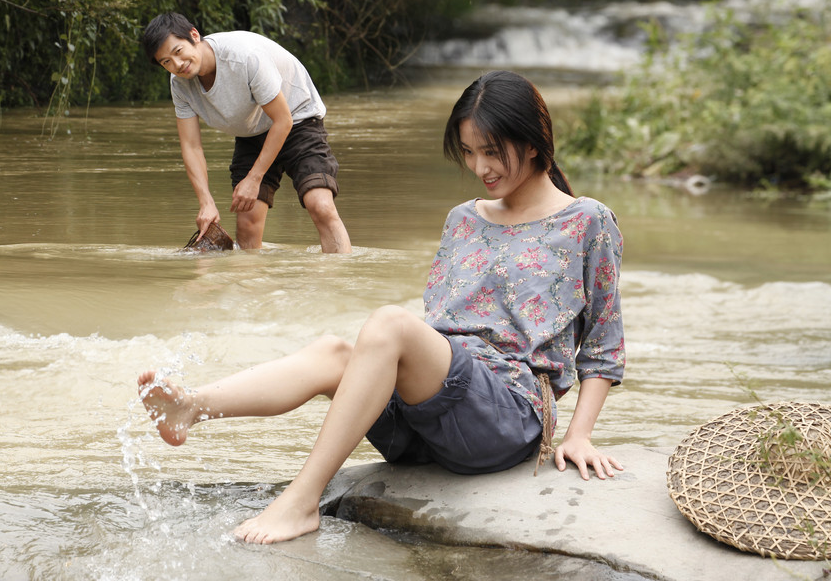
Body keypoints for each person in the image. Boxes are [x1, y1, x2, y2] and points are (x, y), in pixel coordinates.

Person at [137, 70, 625, 544]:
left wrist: (578, 435)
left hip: (507, 415)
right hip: (433, 418)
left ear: (534, 141)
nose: (481, 168)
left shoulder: (587, 221)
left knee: (391, 323)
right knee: (334, 352)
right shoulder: (463, 219)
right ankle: (190, 409)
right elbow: (442, 331)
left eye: (493, 152)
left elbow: (602, 344)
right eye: (471, 153)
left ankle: (301, 501)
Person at [141, 13, 351, 253]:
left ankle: (340, 282)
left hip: (298, 119)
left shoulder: (244, 57)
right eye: (166, 62)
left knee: (320, 206)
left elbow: (283, 120)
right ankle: (250, 287)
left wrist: (254, 178)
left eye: (178, 52)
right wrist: (206, 202)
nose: (177, 65)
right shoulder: (179, 84)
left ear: (194, 35)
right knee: (247, 223)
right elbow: (191, 146)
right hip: (251, 132)